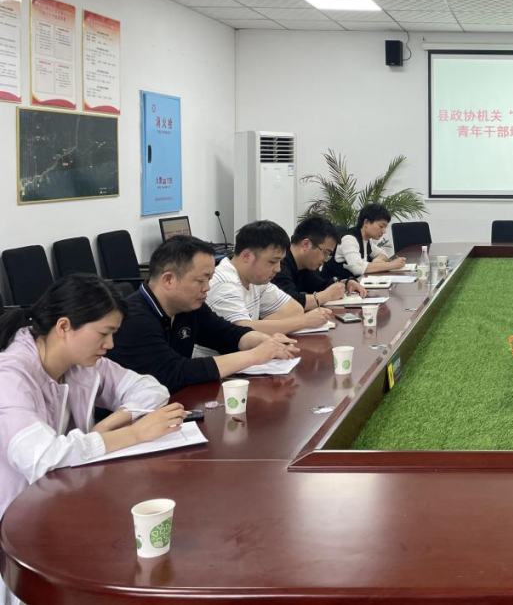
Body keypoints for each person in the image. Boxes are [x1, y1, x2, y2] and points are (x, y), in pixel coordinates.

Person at [0, 275, 184, 603]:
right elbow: (43, 458)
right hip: (15, 521)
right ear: (64, 326)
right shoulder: (10, 375)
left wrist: (109, 424)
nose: (110, 344)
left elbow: (151, 389)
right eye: (104, 333)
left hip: (61, 502)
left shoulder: (78, 362)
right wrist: (133, 433)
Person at [110, 236, 299, 394]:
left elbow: (228, 334)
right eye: (201, 280)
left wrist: (267, 342)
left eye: (209, 279)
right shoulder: (133, 319)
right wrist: (255, 355)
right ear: (168, 279)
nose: (207, 288)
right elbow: (176, 373)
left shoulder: (189, 307)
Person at [207, 220, 334, 336]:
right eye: (273, 262)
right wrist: (302, 322)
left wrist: (258, 326)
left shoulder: (256, 279)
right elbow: (242, 332)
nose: (278, 269)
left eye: (280, 262)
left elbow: (295, 309)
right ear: (246, 256)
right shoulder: (225, 284)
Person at [273, 216, 366, 310]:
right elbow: (289, 303)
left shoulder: (304, 264)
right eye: (325, 253)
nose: (325, 259)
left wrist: (345, 283)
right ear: (306, 244)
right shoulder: (278, 264)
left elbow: (320, 285)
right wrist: (327, 295)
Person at [332, 203, 406, 277]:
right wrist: (392, 265)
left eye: (385, 227)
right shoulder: (349, 239)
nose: (384, 231)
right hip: (336, 283)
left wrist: (377, 260)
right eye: (381, 226)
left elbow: (383, 254)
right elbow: (358, 268)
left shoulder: (367, 240)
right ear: (366, 222)